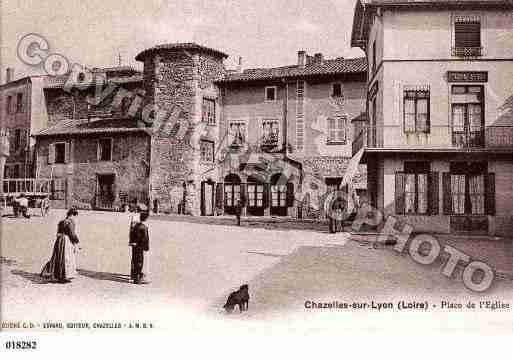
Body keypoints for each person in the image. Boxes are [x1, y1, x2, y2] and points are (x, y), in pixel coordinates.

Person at [40, 207, 80, 283]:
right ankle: (63, 275)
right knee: (66, 257)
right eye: (74, 216)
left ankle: (55, 273)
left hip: (59, 240)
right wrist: (77, 242)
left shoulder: (61, 221)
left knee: (57, 256)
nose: (75, 218)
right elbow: (72, 234)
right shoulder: (70, 222)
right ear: (72, 215)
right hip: (66, 240)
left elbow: (58, 232)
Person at [129, 211, 150, 284]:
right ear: (146, 219)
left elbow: (132, 234)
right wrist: (146, 247)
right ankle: (137, 278)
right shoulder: (144, 227)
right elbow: (145, 238)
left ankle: (135, 276)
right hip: (140, 246)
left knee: (135, 260)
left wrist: (132, 242)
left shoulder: (136, 225)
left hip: (135, 246)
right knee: (140, 261)